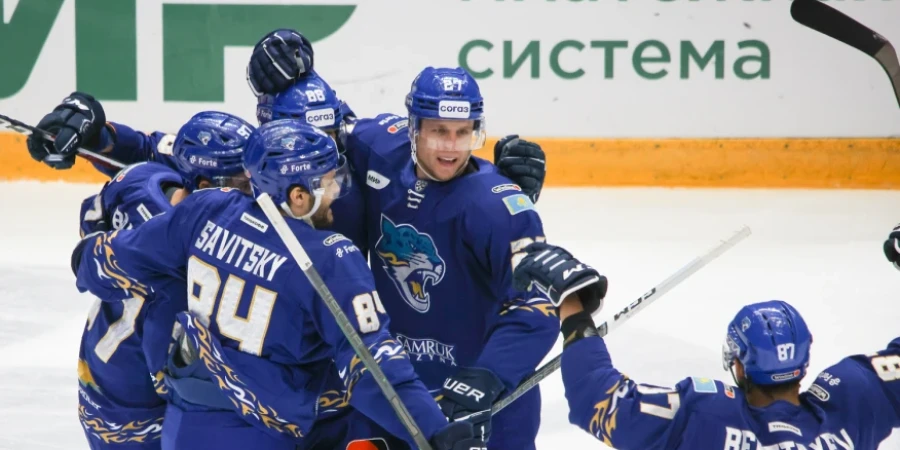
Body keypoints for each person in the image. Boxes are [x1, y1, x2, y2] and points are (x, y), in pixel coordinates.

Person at [70, 119, 486, 450]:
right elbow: (374, 366)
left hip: (185, 426)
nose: (337, 190)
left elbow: (114, 257)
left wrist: (84, 260)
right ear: (298, 197)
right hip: (261, 432)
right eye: (328, 181)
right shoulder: (329, 258)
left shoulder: (206, 209)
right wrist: (434, 431)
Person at [249, 33, 557, 449]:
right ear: (413, 129)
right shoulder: (378, 149)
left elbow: (539, 303)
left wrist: (488, 378)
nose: (450, 147)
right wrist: (282, 80)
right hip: (396, 393)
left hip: (488, 402)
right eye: (438, 131)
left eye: (462, 132)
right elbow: (320, 130)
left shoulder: (496, 207)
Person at [511, 241, 900, 449]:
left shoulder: (706, 416)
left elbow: (600, 399)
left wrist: (572, 305)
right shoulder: (856, 401)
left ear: (740, 365)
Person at [49, 99, 255, 449]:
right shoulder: (185, 266)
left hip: (103, 372)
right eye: (243, 183)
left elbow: (91, 216)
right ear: (205, 184)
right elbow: (179, 383)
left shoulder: (141, 180)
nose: (255, 192)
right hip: (132, 414)